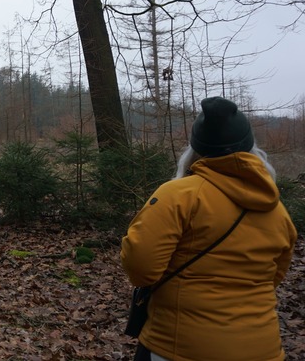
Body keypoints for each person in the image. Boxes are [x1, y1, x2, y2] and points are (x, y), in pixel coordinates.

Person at [121, 96, 298, 361]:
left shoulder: (178, 195)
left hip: (179, 347)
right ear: (251, 146)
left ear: (195, 147)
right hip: (265, 349)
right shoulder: (277, 211)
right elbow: (274, 276)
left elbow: (141, 267)